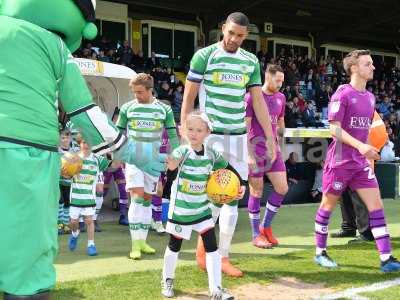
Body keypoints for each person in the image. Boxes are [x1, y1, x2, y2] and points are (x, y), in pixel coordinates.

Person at [0, 2, 165, 298]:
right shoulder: (54, 46)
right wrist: (135, 153)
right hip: (28, 156)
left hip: (31, 152)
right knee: (27, 256)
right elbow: (85, 113)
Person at [181, 11, 276, 277]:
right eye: (231, 33)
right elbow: (190, 93)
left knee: (234, 196)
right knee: (210, 195)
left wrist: (269, 137)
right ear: (223, 28)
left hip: (237, 139)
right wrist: (183, 127)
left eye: (241, 36)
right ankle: (205, 251)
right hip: (211, 136)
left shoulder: (250, 61)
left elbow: (258, 101)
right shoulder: (205, 55)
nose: (234, 39)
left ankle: (222, 255)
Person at [314, 49, 400, 272]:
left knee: (376, 206)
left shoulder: (370, 98)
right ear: (354, 68)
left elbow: (364, 132)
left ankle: (386, 258)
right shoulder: (342, 94)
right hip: (340, 161)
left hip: (361, 164)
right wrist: (361, 146)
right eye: (367, 64)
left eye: (371, 64)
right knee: (327, 206)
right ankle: (320, 253)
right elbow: (334, 129)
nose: (372, 67)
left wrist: (368, 149)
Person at [161, 111, 242, 299]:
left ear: (207, 133)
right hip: (181, 209)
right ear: (184, 131)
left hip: (202, 209)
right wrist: (171, 164)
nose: (194, 133)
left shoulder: (212, 154)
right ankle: (167, 280)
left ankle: (216, 289)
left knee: (212, 248)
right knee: (174, 246)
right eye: (190, 129)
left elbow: (228, 169)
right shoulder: (182, 151)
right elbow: (170, 171)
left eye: (199, 130)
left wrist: (241, 185)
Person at [116, 73, 179, 260]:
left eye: (140, 92)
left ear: (150, 90)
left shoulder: (164, 110)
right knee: (136, 197)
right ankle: (134, 245)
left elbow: (173, 135)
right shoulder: (127, 108)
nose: (137, 95)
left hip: (153, 161)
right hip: (134, 159)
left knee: (146, 199)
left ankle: (142, 241)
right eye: (134, 92)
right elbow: (118, 132)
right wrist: (117, 155)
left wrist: (175, 157)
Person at [246, 64, 288, 248]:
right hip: (255, 149)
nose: (280, 84)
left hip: (273, 151)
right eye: (277, 80)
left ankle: (266, 227)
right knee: (257, 191)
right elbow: (245, 128)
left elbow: (280, 123)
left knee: (282, 188)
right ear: (267, 77)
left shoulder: (281, 98)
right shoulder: (251, 98)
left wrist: (281, 146)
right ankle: (256, 234)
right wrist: (248, 155)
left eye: (282, 81)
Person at [68, 134, 109, 256]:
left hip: (89, 197)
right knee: (73, 222)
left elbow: (114, 165)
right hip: (75, 197)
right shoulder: (73, 158)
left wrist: (114, 149)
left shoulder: (97, 159)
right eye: (84, 142)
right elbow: (65, 173)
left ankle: (91, 244)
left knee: (89, 221)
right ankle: (75, 234)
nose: (86, 145)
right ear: (80, 144)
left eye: (89, 143)